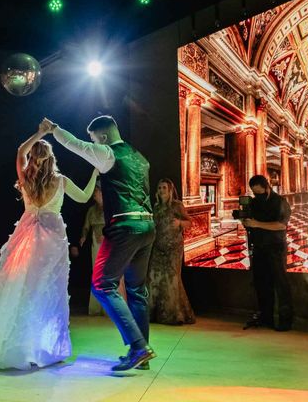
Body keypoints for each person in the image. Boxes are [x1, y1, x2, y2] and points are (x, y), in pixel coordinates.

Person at [0, 125, 98, 370]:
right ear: (51, 159)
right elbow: (85, 197)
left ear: (33, 159)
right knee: (47, 289)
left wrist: (41, 132)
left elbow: (21, 150)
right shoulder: (60, 181)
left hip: (27, 235)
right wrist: (96, 171)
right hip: (52, 239)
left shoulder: (27, 179)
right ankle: (43, 345)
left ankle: (17, 342)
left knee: (21, 287)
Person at [41, 115, 156, 371]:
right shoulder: (140, 157)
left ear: (102, 137)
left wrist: (54, 129)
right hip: (148, 225)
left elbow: (75, 144)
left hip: (124, 226)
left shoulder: (107, 152)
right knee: (137, 292)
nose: (92, 143)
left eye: (93, 138)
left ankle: (138, 347)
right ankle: (142, 355)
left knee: (102, 285)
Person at [241, 175, 293, 332]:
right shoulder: (255, 202)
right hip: (258, 248)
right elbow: (251, 223)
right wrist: (247, 223)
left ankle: (284, 320)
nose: (257, 196)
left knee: (280, 284)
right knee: (261, 284)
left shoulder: (280, 201)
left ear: (267, 187)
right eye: (254, 193)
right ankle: (266, 317)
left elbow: (281, 226)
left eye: (259, 193)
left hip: (276, 248)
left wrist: (257, 224)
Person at [148, 179, 195, 325]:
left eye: (164, 187)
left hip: (173, 247)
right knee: (154, 277)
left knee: (171, 279)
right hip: (157, 246)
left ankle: (174, 315)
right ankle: (153, 314)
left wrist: (180, 223)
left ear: (170, 190)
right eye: (159, 187)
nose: (161, 190)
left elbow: (190, 222)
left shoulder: (177, 206)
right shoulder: (155, 207)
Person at [77, 184, 127, 315]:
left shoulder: (112, 208)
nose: (94, 193)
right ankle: (98, 307)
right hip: (96, 243)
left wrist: (106, 235)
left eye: (97, 191)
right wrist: (83, 237)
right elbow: (86, 226)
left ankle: (114, 306)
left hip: (110, 243)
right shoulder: (92, 210)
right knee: (98, 273)